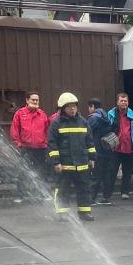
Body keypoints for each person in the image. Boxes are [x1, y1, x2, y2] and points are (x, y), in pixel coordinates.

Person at [47, 92, 95, 221]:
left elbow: (90, 142)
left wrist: (92, 158)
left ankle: (85, 212)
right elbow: (52, 145)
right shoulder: (56, 124)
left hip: (82, 164)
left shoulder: (83, 122)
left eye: (74, 106)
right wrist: (56, 162)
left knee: (84, 189)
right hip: (65, 165)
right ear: (63, 109)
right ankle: (63, 213)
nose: (73, 109)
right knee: (63, 189)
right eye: (69, 107)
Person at [9, 91, 50, 202]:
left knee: (42, 171)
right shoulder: (19, 114)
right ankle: (20, 195)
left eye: (37, 100)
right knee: (23, 171)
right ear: (27, 100)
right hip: (25, 148)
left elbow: (47, 130)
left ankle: (44, 194)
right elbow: (15, 130)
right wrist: (18, 144)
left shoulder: (42, 114)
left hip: (40, 148)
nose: (35, 102)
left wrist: (45, 143)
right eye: (33, 99)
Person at [105, 92, 133, 202]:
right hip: (115, 148)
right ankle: (107, 193)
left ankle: (125, 192)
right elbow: (105, 129)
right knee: (112, 171)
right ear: (117, 102)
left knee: (127, 172)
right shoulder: (111, 114)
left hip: (129, 148)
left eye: (125, 101)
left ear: (128, 102)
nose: (124, 103)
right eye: (121, 101)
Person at [85, 98, 112, 204]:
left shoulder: (93, 118)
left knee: (96, 174)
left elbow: (86, 133)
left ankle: (91, 198)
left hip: (97, 150)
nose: (88, 110)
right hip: (107, 148)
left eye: (89, 107)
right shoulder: (105, 116)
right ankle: (106, 197)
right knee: (106, 174)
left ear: (92, 106)